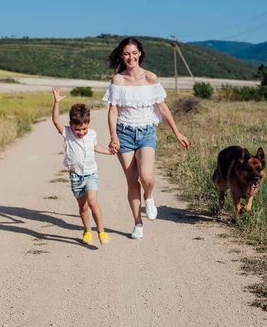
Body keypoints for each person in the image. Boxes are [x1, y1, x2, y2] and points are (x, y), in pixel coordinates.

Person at [103, 37, 189, 240]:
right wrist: (114, 137)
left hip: (146, 133)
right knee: (132, 182)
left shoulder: (151, 78)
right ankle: (137, 223)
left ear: (140, 53)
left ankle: (149, 197)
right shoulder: (118, 80)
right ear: (122, 55)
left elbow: (162, 107)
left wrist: (177, 132)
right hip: (124, 134)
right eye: (126, 53)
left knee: (146, 177)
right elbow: (113, 112)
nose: (130, 57)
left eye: (134, 53)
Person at [51, 87, 112, 245]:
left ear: (88, 124)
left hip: (91, 174)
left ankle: (101, 232)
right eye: (78, 129)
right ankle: (87, 230)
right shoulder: (67, 133)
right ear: (71, 125)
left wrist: (108, 151)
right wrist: (56, 102)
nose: (81, 132)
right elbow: (56, 121)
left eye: (84, 128)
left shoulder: (91, 134)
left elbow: (95, 146)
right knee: (83, 207)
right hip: (75, 176)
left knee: (92, 201)